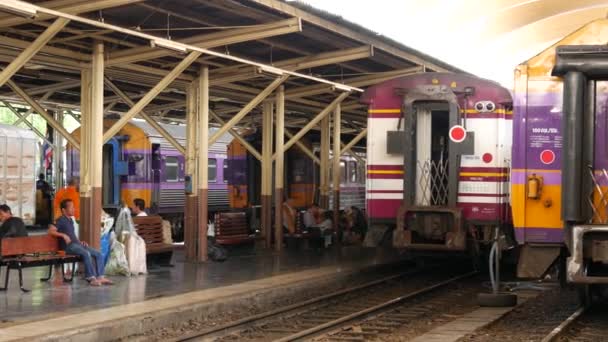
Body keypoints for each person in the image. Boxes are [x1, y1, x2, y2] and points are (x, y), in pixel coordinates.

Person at [48, 199, 112, 286]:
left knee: (98, 253)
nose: (74, 209)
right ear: (64, 210)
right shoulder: (60, 220)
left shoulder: (70, 220)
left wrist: (80, 242)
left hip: (76, 245)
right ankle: (91, 278)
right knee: (86, 253)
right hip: (68, 247)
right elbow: (51, 231)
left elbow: (72, 235)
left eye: (73, 207)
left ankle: (100, 276)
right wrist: (63, 235)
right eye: (71, 207)